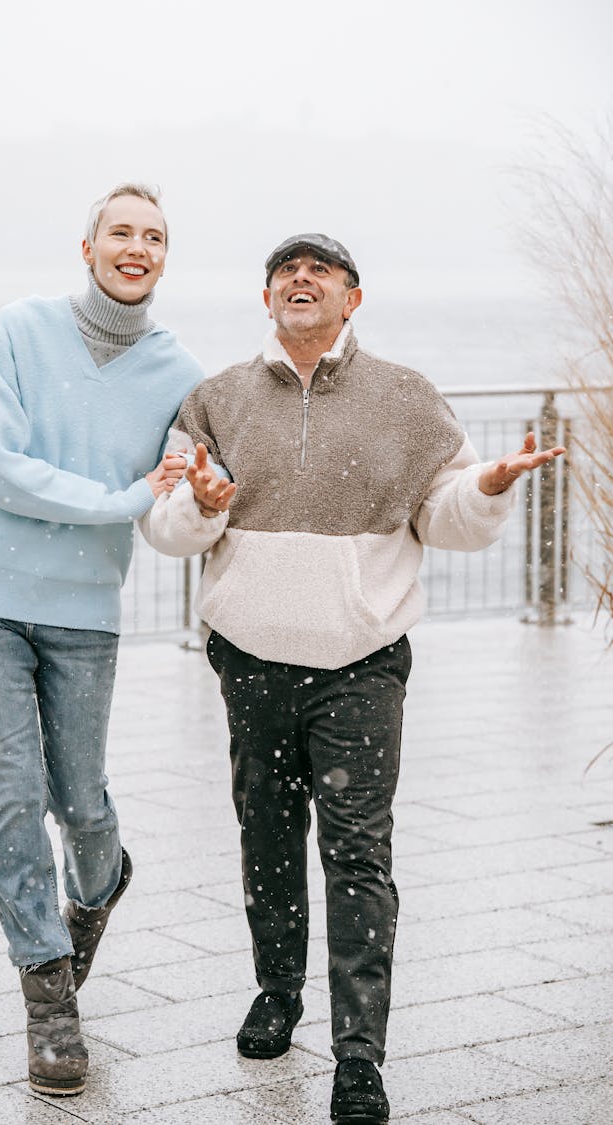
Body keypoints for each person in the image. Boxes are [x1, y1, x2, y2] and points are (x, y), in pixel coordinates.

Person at [140, 232, 565, 1125]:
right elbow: (167, 531)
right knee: (266, 834)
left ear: (352, 300)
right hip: (250, 657)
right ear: (266, 298)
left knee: (358, 851)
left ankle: (359, 1052)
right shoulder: (214, 399)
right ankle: (276, 993)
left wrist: (487, 485)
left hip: (361, 665)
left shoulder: (405, 397)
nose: (302, 279)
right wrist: (197, 507)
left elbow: (444, 515)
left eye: (320, 271)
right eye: (286, 271)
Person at [0, 183, 198, 1097]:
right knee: (13, 793)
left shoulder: (178, 371)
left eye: (154, 236)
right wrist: (125, 498)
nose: (136, 247)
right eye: (120, 232)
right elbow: (0, 471)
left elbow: (195, 480)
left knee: (79, 803)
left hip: (87, 606)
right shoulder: (20, 327)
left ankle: (100, 884)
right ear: (86, 246)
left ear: (165, 257)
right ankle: (49, 998)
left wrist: (200, 488)